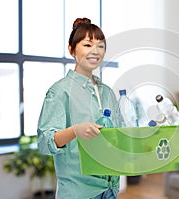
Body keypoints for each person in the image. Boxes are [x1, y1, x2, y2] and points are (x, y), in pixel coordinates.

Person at [37, 17, 119, 199]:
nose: (95, 51)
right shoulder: (60, 91)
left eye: (101, 46)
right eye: (88, 45)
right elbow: (45, 142)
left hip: (110, 190)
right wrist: (75, 130)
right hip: (79, 192)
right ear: (72, 50)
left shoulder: (107, 93)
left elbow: (116, 137)